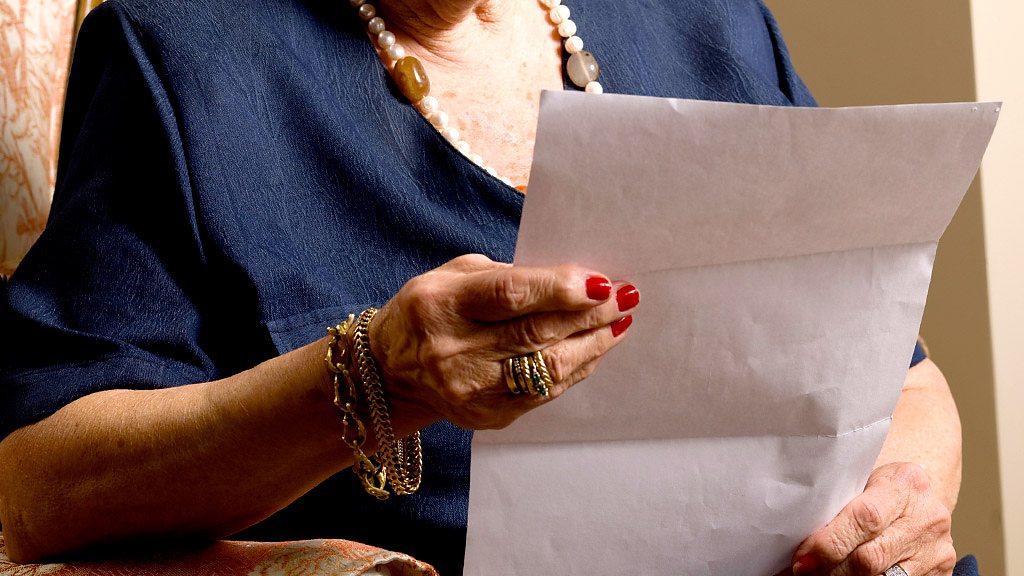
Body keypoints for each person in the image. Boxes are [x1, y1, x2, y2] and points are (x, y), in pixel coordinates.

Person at [0, 0, 961, 574]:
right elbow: (39, 492)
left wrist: (899, 511)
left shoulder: (712, 23)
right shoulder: (186, 56)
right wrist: (374, 381)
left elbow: (904, 378)